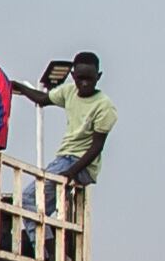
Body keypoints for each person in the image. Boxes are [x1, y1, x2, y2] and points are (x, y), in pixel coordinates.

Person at [9, 53, 111, 189]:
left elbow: (97, 146)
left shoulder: (104, 106)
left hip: (81, 163)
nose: (85, 83)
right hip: (65, 158)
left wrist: (72, 172)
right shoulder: (69, 91)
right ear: (73, 76)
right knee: (42, 194)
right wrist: (18, 86)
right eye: (80, 79)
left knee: (33, 196)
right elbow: (43, 99)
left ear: (98, 77)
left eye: (89, 79)